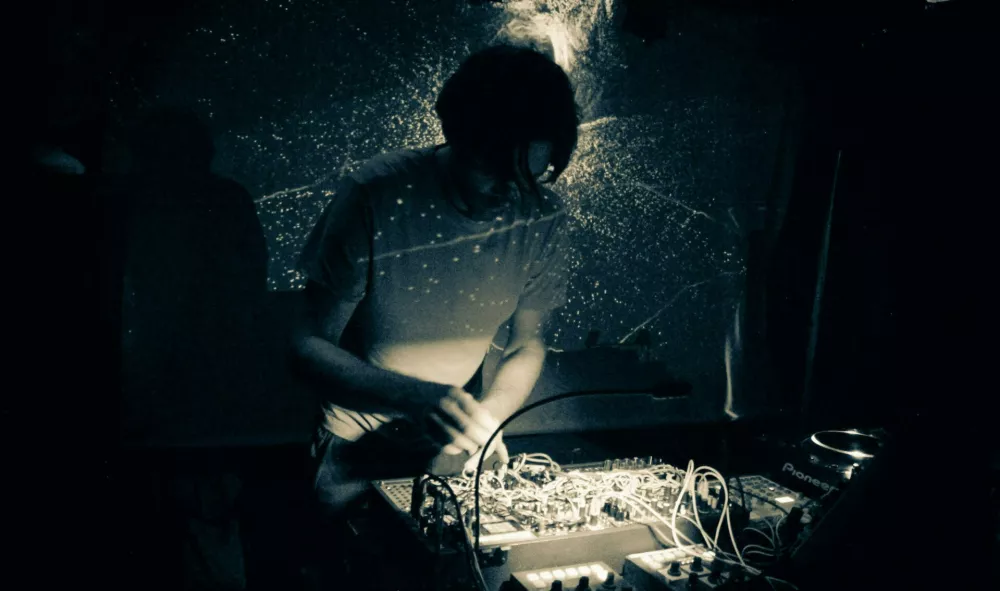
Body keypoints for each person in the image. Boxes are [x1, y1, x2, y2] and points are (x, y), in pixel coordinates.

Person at [290, 44, 579, 584]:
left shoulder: (544, 215)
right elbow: (305, 345)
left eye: (530, 177)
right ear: (457, 133)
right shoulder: (375, 193)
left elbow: (527, 341)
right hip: (352, 448)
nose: (510, 196)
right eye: (495, 172)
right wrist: (414, 395)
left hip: (450, 446)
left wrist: (490, 417)